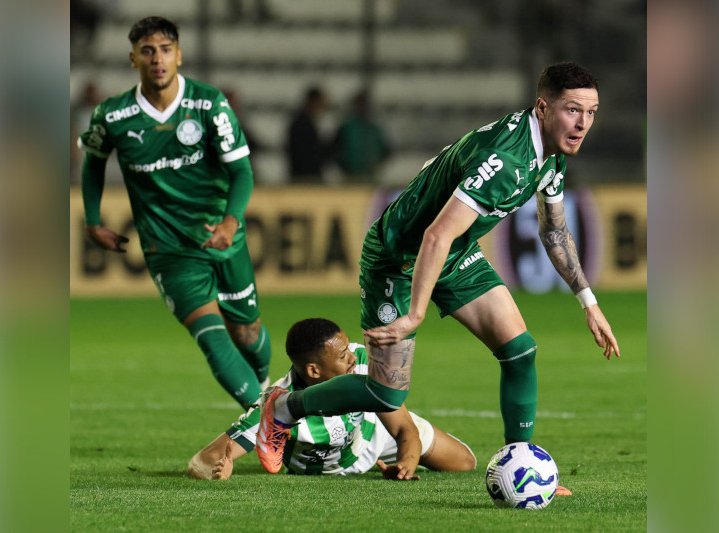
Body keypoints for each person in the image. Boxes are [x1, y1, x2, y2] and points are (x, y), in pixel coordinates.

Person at [256, 62, 621, 473]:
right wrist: (415, 313)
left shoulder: (550, 156)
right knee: (386, 395)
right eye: (573, 110)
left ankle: (523, 468)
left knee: (520, 352)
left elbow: (554, 231)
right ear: (542, 107)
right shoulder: (505, 159)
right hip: (397, 257)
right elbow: (434, 235)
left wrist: (588, 302)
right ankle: (286, 407)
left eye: (591, 112)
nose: (583, 123)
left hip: (454, 252)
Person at [76, 17, 271, 410]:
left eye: (166, 50)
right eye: (148, 51)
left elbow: (241, 171)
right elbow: (93, 163)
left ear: (179, 55)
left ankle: (268, 387)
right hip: (168, 248)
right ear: (134, 58)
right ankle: (272, 420)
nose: (157, 59)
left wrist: (231, 222)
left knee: (247, 332)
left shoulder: (209, 104)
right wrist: (93, 220)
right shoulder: (112, 116)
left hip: (222, 239)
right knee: (214, 339)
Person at [188, 318, 477, 480]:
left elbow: (404, 429)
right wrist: (217, 470)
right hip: (322, 470)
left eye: (348, 348)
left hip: (372, 437)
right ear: (313, 370)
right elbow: (201, 461)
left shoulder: (363, 359)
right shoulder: (273, 407)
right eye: (342, 357)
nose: (352, 357)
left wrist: (405, 463)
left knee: (465, 462)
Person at [333, 90, 391, 183]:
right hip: (350, 177)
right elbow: (335, 151)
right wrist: (344, 169)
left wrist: (376, 165)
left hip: (370, 178)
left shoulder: (375, 130)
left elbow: (386, 152)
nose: (362, 107)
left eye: (364, 104)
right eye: (359, 104)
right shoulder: (346, 128)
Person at [286, 86, 328, 183]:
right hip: (304, 179)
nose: (322, 107)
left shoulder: (306, 123)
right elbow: (306, 155)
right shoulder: (301, 124)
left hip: (305, 177)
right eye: (320, 103)